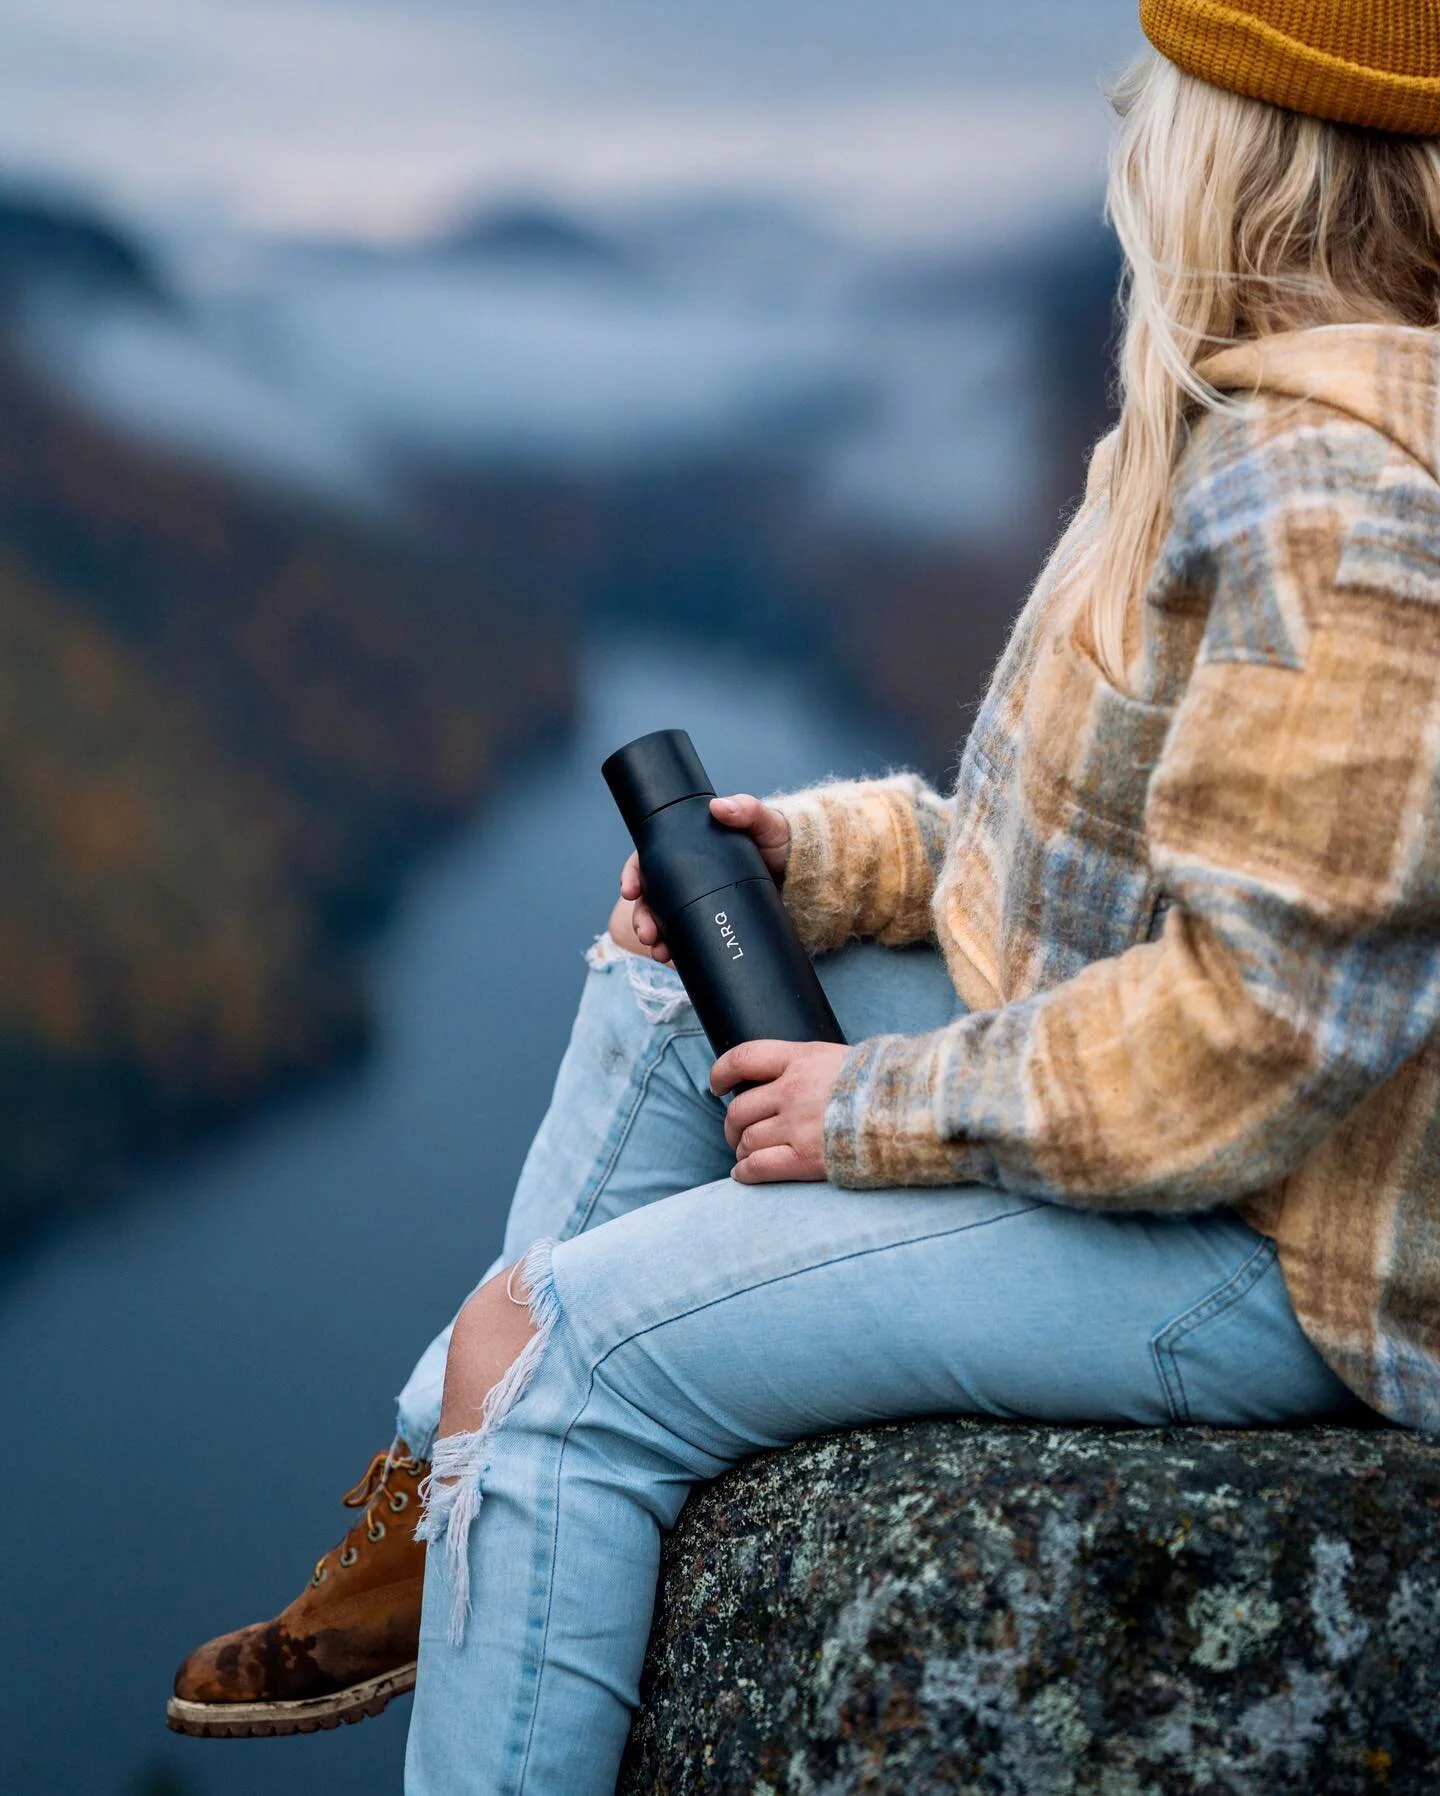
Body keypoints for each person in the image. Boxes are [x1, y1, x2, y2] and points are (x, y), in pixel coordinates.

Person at [169, 2, 1440, 1787]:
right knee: (674, 978)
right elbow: (1078, 855)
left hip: (1279, 1249)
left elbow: (1259, 1032)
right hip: (1184, 1126)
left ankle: (498, 1452)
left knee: (558, 1362)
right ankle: (434, 1506)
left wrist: (881, 1109)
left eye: (1155, 100)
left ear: (1236, 147)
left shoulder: (1348, 491)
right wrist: (817, 865)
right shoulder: (1227, 419)